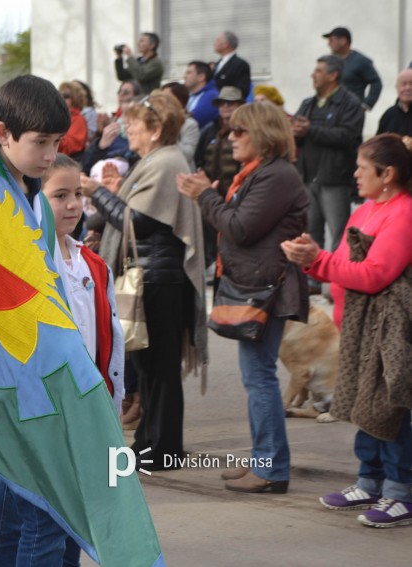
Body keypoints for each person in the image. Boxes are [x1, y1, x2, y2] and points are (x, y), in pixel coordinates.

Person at [177, 102, 309, 493]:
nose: (230, 137)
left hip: (267, 290)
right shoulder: (262, 173)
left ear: (263, 134)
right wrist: (211, 198)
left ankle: (270, 467)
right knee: (257, 377)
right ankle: (263, 459)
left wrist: (206, 196)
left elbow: (240, 228)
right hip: (256, 286)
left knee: (259, 378)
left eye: (239, 131)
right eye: (230, 131)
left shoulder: (277, 176)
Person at [282, 133, 412, 528]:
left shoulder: (404, 213)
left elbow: (374, 276)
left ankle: (400, 492)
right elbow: (338, 262)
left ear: (387, 173)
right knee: (362, 405)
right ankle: (369, 481)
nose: (354, 173)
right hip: (357, 329)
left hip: (388, 331)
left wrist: (319, 260)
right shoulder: (365, 210)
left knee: (389, 408)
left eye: (361, 167)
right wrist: (312, 257)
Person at [0, 73, 75, 566]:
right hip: (13, 377)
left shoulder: (32, 196)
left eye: (57, 142)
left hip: (39, 371)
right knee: (44, 515)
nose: (50, 154)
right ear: (2, 134)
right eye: (40, 142)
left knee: (9, 511)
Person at [82, 91, 207, 471]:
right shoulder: (155, 159)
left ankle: (165, 449)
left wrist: (99, 193)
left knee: (161, 369)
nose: (127, 129)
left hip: (162, 282)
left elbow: (139, 223)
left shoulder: (167, 161)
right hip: (153, 278)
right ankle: (149, 442)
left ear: (155, 130)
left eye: (134, 123)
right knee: (150, 369)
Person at [42, 154, 125, 566]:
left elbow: (110, 347)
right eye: (60, 195)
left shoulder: (94, 264)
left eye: (77, 193)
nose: (74, 204)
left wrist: (112, 407)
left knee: (80, 516)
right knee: (42, 526)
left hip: (89, 410)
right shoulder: (27, 264)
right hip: (45, 413)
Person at [292, 54, 365, 253]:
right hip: (307, 178)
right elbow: (298, 134)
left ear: (333, 75)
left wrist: (311, 130)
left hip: (335, 180)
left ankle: (339, 280)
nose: (312, 75)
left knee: (339, 233)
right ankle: (313, 280)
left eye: (318, 71)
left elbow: (348, 136)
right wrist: (294, 132)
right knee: (311, 231)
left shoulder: (350, 104)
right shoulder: (308, 104)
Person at [195, 86, 246, 269]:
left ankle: (227, 263)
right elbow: (198, 157)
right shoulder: (209, 130)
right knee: (208, 230)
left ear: (240, 105)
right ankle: (211, 262)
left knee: (230, 228)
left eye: (230, 103)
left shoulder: (245, 130)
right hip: (211, 190)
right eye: (221, 103)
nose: (225, 107)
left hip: (235, 191)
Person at [323, 27, 382, 111]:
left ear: (343, 41)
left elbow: (376, 82)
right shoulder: (329, 62)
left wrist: (366, 104)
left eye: (332, 40)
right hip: (329, 111)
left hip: (350, 113)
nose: (328, 44)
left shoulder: (361, 61)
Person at [162, 82, 200, 169]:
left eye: (168, 99)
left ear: (179, 101)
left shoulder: (190, 124)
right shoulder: (157, 123)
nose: (163, 102)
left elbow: (187, 155)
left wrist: (170, 129)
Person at [212, 31, 251, 99]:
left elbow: (242, 90)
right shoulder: (217, 64)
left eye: (218, 40)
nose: (214, 44)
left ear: (226, 44)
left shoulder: (240, 65)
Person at [57, 81, 89, 159]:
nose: (61, 98)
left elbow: (69, 146)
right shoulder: (57, 116)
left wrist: (51, 136)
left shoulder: (78, 119)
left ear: (75, 99)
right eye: (59, 95)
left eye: (66, 96)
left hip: (68, 163)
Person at [185, 60, 219, 129]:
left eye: (189, 73)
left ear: (201, 77)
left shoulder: (211, 96)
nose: (185, 76)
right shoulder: (190, 94)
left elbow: (195, 119)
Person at [377, 69, 412, 137]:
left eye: (411, 83)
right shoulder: (389, 115)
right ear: (397, 88)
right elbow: (379, 145)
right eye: (403, 84)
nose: (408, 88)